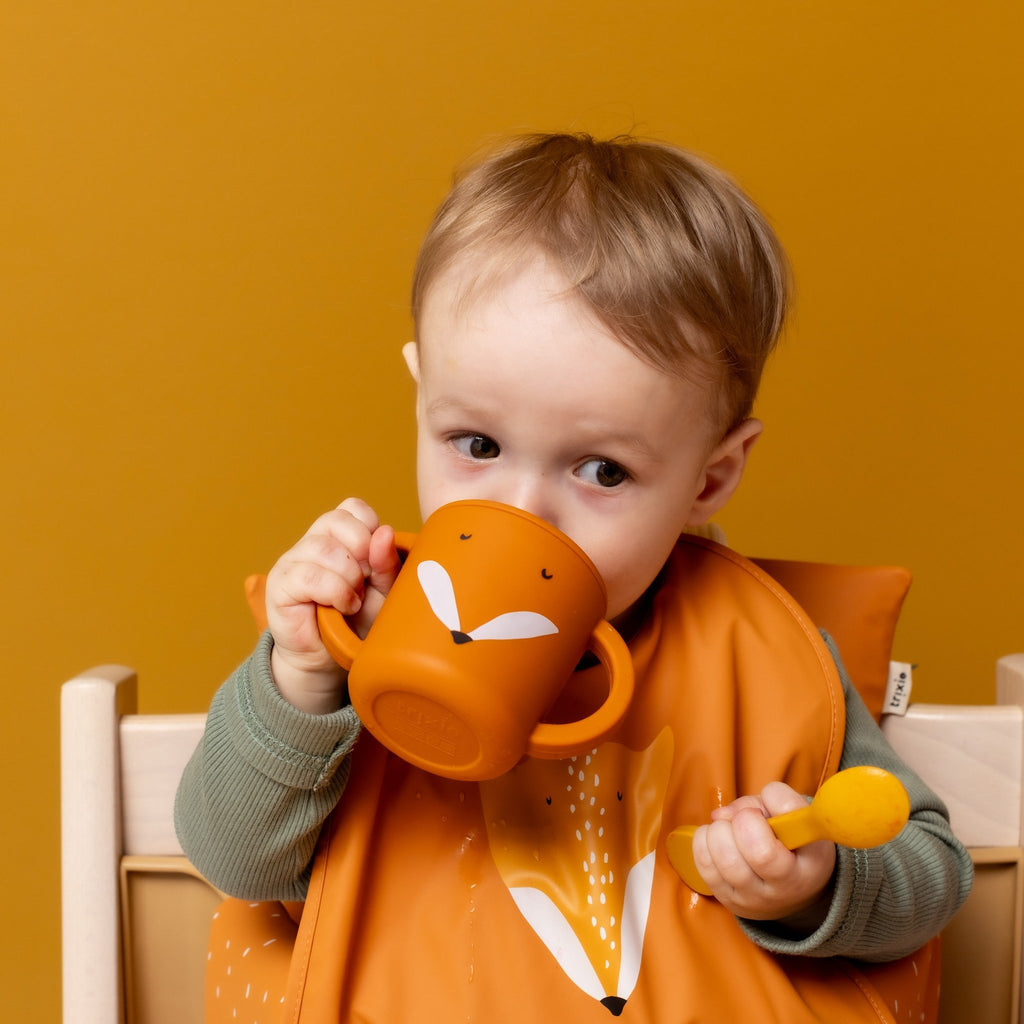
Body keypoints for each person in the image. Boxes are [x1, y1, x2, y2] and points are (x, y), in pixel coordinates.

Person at [176, 133, 972, 1022]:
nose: (526, 512)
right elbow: (236, 859)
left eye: (601, 470)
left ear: (708, 477)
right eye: (475, 445)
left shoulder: (767, 651)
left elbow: (932, 877)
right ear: (421, 398)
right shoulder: (361, 628)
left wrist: (813, 883)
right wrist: (302, 679)